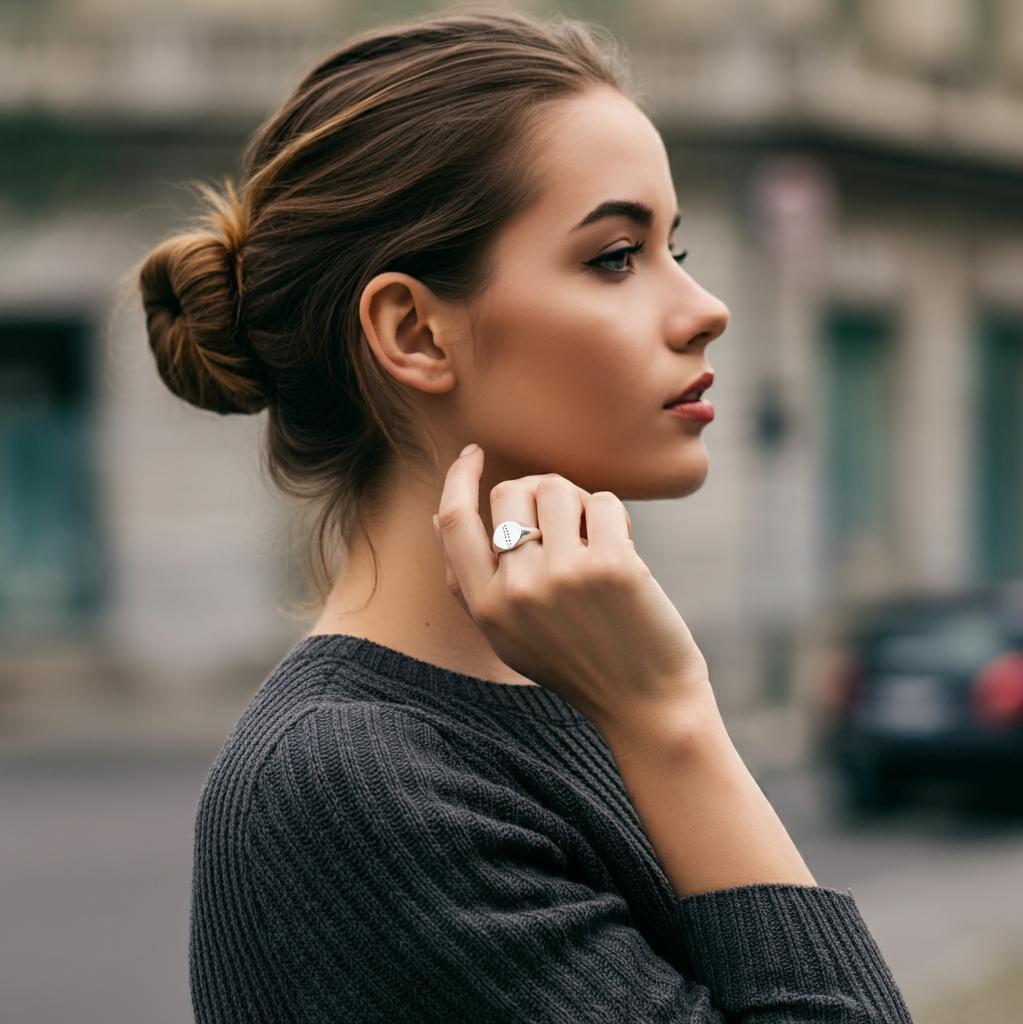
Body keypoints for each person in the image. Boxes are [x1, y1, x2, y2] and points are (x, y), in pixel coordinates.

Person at [135, 7, 914, 1022]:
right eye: (614, 256)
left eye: (671, 245)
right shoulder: (350, 785)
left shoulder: (560, 688)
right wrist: (672, 720)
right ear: (414, 331)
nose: (704, 307)